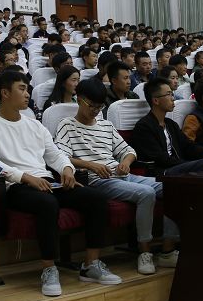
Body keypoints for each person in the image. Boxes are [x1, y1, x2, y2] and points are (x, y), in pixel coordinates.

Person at [0, 71, 122, 297]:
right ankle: (49, 269)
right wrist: (25, 177)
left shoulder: (34, 125)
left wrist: (67, 169)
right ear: (5, 93)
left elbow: (55, 154)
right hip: (16, 187)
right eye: (22, 89)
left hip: (46, 181)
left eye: (28, 89)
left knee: (96, 198)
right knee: (47, 203)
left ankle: (90, 265)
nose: (28, 94)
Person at [55, 79, 178, 275]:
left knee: (174, 186)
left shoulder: (106, 125)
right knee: (146, 193)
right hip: (97, 180)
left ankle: (167, 250)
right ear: (79, 100)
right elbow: (61, 156)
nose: (96, 110)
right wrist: (91, 165)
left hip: (121, 174)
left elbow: (128, 151)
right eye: (91, 105)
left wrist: (126, 162)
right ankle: (144, 251)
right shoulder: (67, 125)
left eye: (99, 107)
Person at [130, 77, 203, 175]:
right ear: (156, 101)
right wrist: (189, 164)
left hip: (177, 166)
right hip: (162, 172)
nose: (173, 98)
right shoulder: (144, 127)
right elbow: (160, 159)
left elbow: (188, 145)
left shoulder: (170, 124)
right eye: (168, 94)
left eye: (172, 94)